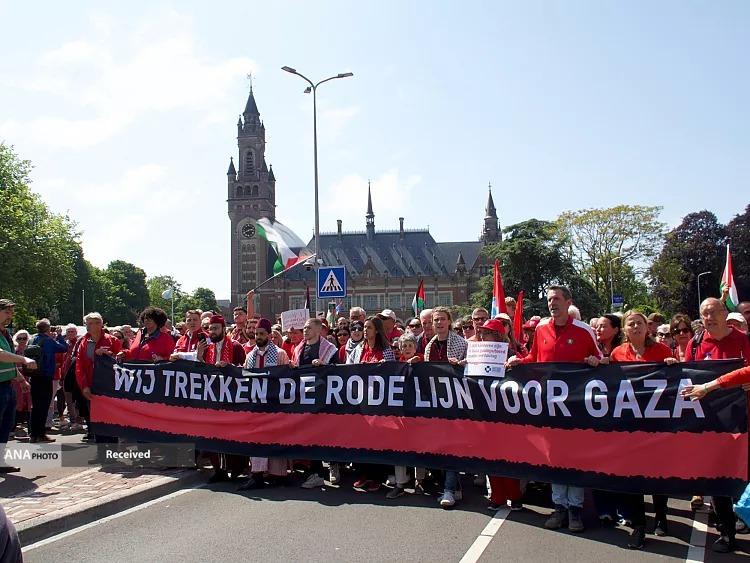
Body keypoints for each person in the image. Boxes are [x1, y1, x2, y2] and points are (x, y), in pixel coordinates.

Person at [507, 286, 601, 533]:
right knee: (554, 457)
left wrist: (596, 361)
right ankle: (559, 507)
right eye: (549, 300)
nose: (552, 304)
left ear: (568, 302)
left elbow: (602, 359)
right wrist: (518, 361)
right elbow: (534, 358)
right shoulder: (541, 329)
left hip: (576, 407)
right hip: (548, 405)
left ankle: (575, 510)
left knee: (575, 457)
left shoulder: (584, 330)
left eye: (557, 299)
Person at [605, 310, 677, 549]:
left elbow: (675, 381)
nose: (635, 327)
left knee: (658, 473)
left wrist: (673, 366)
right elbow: (609, 383)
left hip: (656, 424)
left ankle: (661, 515)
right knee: (633, 476)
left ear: (647, 328)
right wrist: (601, 365)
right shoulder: (617, 353)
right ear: (624, 330)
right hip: (630, 426)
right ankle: (638, 525)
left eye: (639, 323)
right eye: (631, 324)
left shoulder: (662, 351)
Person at [683, 298, 750, 553]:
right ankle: (727, 532)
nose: (709, 318)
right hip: (712, 422)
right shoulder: (696, 343)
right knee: (719, 477)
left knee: (743, 475)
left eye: (713, 312)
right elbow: (686, 375)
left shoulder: (744, 340)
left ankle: (743, 517)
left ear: (725, 313)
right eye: (704, 314)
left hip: (744, 419)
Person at [238, 318, 290, 491]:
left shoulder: (280, 354)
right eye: (256, 334)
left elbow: (287, 378)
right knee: (256, 438)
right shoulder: (250, 356)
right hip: (256, 406)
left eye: (261, 334)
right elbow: (244, 376)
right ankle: (257, 475)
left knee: (276, 437)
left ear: (269, 335)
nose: (258, 336)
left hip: (275, 405)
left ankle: (278, 474)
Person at [424, 306, 468, 508]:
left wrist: (460, 364)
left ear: (449, 321)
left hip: (456, 402)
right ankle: (453, 486)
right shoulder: (429, 346)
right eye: (436, 320)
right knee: (440, 447)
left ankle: (449, 489)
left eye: (442, 319)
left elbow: (471, 367)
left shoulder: (461, 343)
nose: (439, 323)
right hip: (436, 403)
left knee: (452, 446)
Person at [480, 319, 524, 512]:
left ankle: (514, 496)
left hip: (508, 413)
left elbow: (525, 372)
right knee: (491, 456)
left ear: (497, 335)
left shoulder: (512, 354)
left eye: (487, 333)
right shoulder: (478, 354)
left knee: (510, 456)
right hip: (486, 412)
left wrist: (514, 366)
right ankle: (497, 497)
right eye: (482, 333)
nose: (483, 337)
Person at [347, 317, 395, 492]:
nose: (365, 330)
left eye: (369, 327)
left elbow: (393, 371)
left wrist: (382, 368)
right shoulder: (358, 349)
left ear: (377, 330)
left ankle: (377, 477)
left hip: (379, 402)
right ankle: (363, 474)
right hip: (361, 401)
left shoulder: (386, 350)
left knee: (378, 439)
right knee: (361, 438)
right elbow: (348, 368)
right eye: (364, 327)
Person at [292, 318, 338, 489]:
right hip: (305, 399)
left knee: (325, 436)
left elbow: (338, 371)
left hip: (323, 399)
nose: (305, 330)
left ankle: (331, 467)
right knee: (310, 436)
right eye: (304, 328)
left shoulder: (330, 350)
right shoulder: (298, 349)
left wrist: (324, 366)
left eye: (309, 328)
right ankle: (316, 472)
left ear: (318, 330)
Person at [75, 312, 122, 444]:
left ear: (102, 324)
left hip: (110, 386)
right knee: (96, 419)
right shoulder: (83, 342)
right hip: (91, 386)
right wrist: (84, 386)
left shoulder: (112, 340)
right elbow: (80, 366)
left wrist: (109, 355)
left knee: (111, 418)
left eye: (97, 322)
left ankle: (112, 449)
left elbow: (121, 359)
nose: (93, 325)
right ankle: (101, 449)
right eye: (90, 323)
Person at [0, 300, 35, 473]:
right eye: (7, 312)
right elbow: (1, 355)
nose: (10, 316)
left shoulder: (5, 333)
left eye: (11, 313)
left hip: (7, 385)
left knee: (6, 425)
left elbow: (9, 362)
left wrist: (21, 380)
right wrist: (24, 359)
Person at [28, 319, 68, 443]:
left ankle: (33, 434)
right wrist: (60, 335)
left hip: (33, 375)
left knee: (35, 406)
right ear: (48, 328)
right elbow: (63, 348)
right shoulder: (48, 341)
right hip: (45, 376)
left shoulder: (31, 339)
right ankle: (41, 434)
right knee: (44, 405)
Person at [11, 330, 31, 439]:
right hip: (17, 379)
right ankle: (12, 428)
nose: (22, 340)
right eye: (19, 338)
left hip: (29, 378)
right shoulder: (13, 351)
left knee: (30, 402)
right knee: (17, 402)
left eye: (24, 338)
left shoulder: (30, 350)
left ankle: (31, 428)